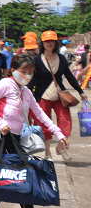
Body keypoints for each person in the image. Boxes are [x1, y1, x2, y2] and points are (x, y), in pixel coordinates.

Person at [0, 54, 69, 208]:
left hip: (16, 139)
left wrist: (59, 133)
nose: (27, 75)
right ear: (13, 70)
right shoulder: (4, 85)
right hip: (1, 137)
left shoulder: (26, 92)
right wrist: (0, 122)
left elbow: (41, 115)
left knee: (5, 174)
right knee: (21, 175)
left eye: (30, 72)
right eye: (23, 71)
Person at [27, 30, 87, 161]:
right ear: (42, 43)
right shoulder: (36, 59)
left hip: (60, 97)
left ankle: (60, 147)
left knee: (66, 123)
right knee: (45, 126)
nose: (49, 43)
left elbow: (69, 76)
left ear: (56, 42)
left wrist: (80, 91)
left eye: (52, 41)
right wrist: (26, 95)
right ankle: (47, 153)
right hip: (42, 97)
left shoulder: (61, 58)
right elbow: (32, 80)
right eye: (47, 41)